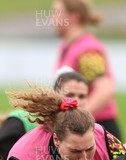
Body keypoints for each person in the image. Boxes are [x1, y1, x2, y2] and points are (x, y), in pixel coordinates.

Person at [0, 70, 89, 160]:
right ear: (55, 94)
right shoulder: (23, 121)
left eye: (82, 96)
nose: (76, 101)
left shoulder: (87, 128)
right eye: (70, 95)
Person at [52, 0, 122, 138]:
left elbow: (105, 88)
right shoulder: (67, 46)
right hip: (83, 128)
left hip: (98, 128)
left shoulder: (87, 49)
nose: (51, 18)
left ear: (73, 17)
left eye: (56, 13)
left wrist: (78, 117)